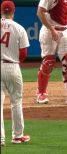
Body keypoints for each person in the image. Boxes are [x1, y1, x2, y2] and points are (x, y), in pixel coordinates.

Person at [1, 0, 30, 146]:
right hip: (12, 66)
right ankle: (17, 136)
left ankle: (0, 138)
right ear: (13, 11)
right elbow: (24, 53)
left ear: (1, 11)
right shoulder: (19, 28)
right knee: (16, 101)